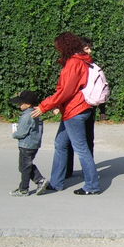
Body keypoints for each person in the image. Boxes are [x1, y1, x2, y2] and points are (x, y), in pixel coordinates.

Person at [32, 32, 101, 196]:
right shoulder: (82, 61)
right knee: (60, 144)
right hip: (78, 109)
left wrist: (44, 106)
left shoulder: (73, 63)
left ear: (64, 46)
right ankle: (56, 183)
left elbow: (65, 91)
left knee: (81, 148)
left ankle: (92, 186)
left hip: (74, 110)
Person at [64, 36, 107, 178]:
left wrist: (102, 109)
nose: (90, 51)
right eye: (87, 48)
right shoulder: (75, 64)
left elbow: (99, 87)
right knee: (69, 141)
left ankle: (88, 171)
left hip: (88, 107)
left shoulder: (91, 65)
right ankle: (68, 170)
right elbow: (67, 87)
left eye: (90, 48)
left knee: (87, 140)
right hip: (73, 107)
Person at [9, 90, 44, 196]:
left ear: (28, 104)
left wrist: (14, 134)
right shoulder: (36, 112)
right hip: (34, 144)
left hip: (26, 145)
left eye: (21, 102)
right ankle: (40, 180)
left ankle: (24, 189)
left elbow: (22, 133)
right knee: (25, 166)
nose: (19, 104)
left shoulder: (26, 116)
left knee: (25, 167)